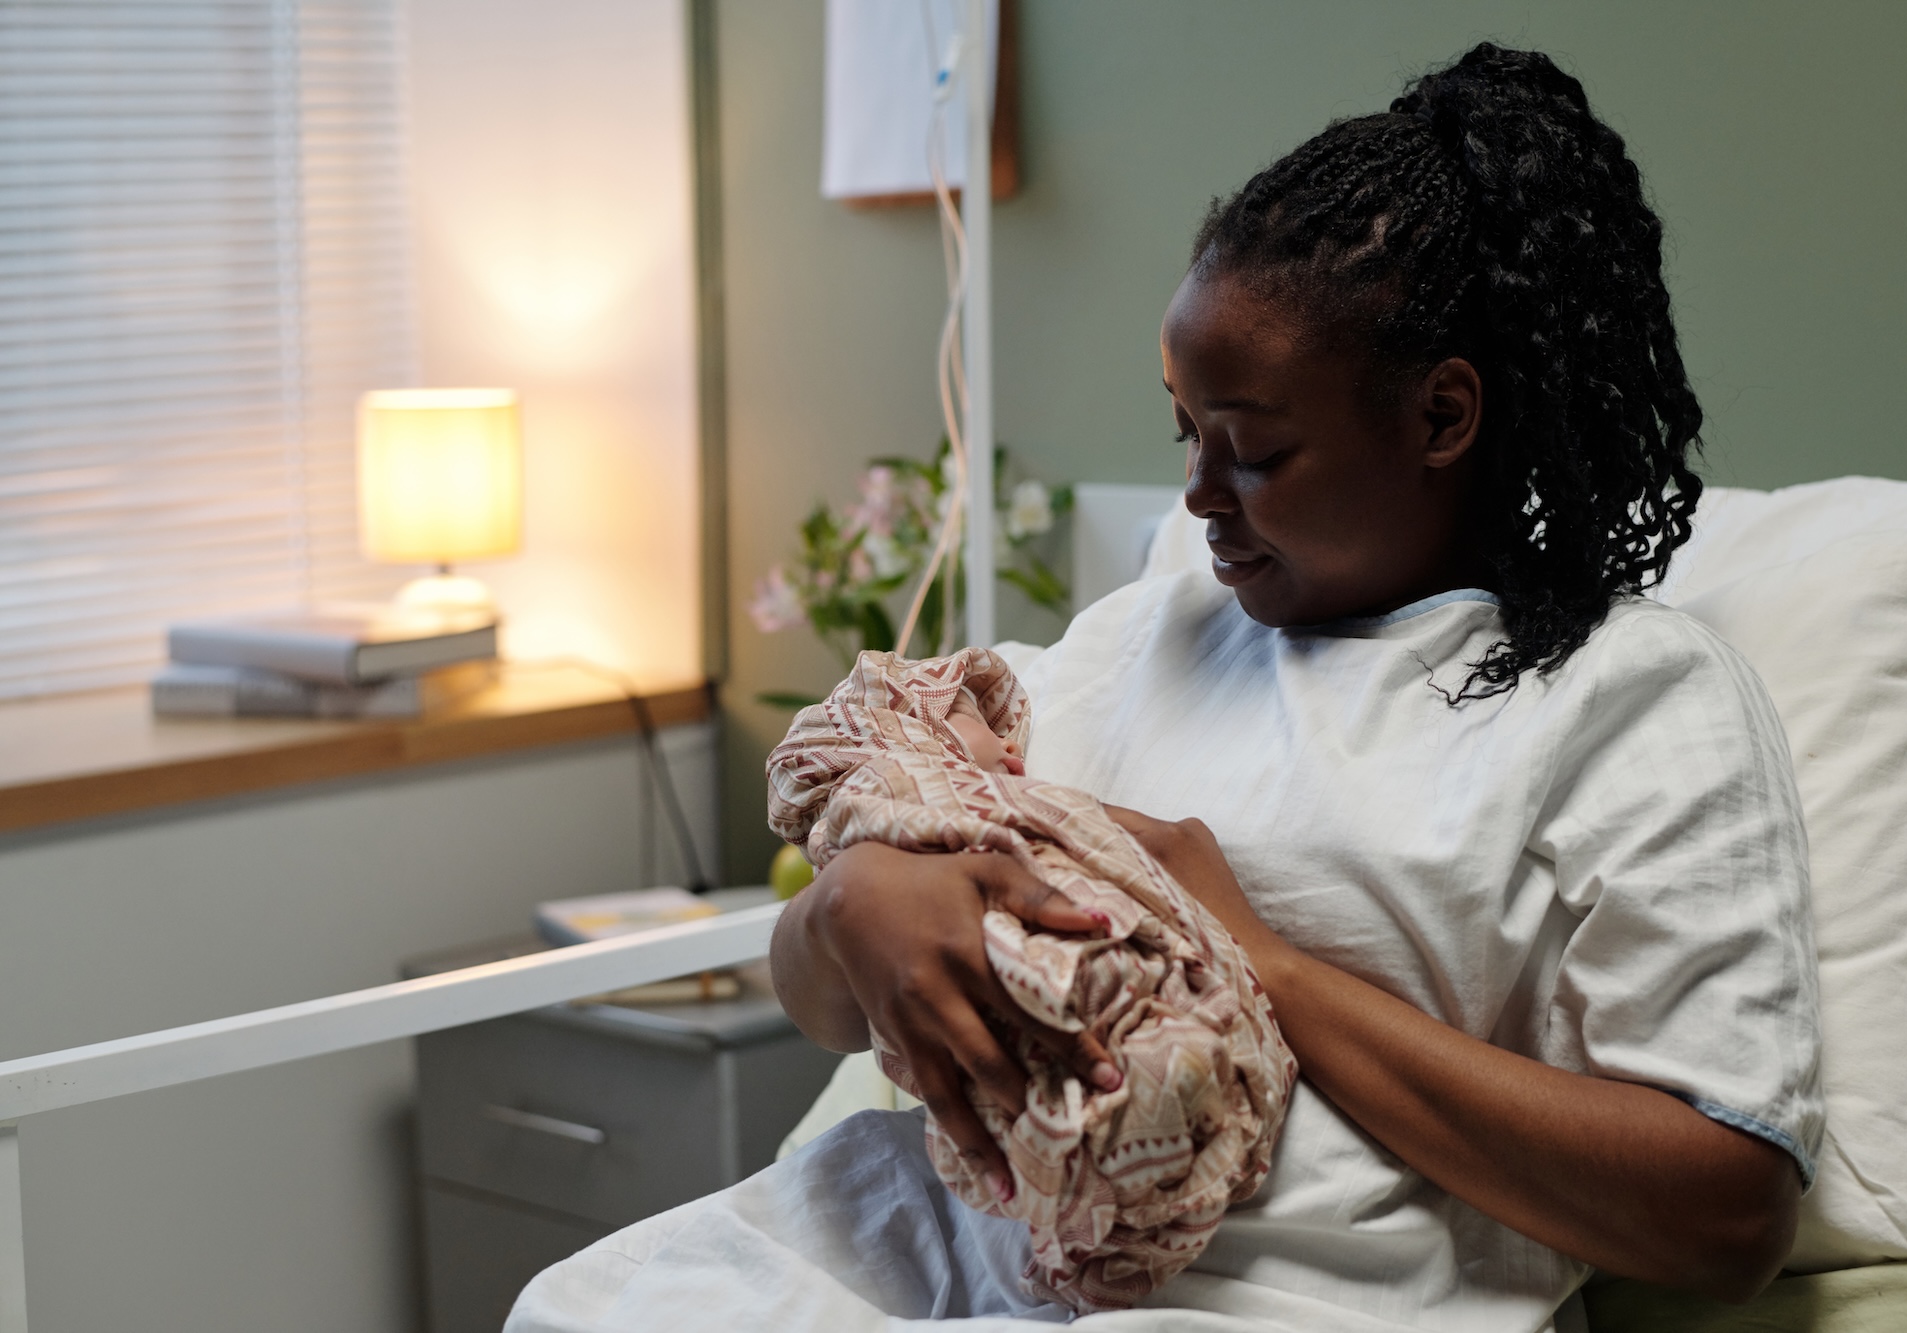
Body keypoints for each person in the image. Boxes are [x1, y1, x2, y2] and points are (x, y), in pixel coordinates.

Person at [507, 42, 1821, 1333]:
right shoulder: (1164, 623)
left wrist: (1263, 968)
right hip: (935, 1243)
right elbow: (820, 994)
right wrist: (854, 905)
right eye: (1183, 433)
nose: (1195, 498)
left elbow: (1726, 1214)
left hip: (1282, 1289)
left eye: (1251, 450)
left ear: (1442, 417)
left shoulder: (1635, 700)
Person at [763, 646, 1295, 1311]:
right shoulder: (1083, 649)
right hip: (928, 1228)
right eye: (985, 732)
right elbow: (824, 1008)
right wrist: (836, 901)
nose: (1017, 757)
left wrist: (1264, 961)